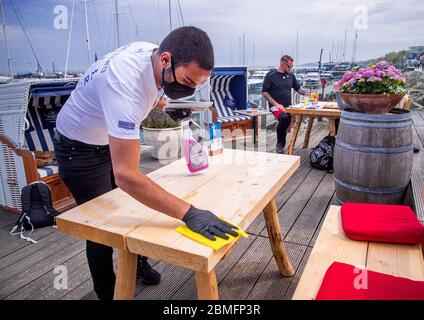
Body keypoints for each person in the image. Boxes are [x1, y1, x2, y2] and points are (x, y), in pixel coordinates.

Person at [54, 26, 239, 301]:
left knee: (130, 205)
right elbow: (126, 176)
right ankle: (107, 292)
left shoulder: (153, 55)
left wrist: (171, 108)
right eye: (187, 81)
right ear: (166, 60)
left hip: (106, 137)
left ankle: (138, 265)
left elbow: (153, 92)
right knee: (101, 227)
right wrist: (190, 213)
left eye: (196, 86)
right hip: (76, 147)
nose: (188, 90)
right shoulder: (123, 84)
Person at [262, 55, 308, 154]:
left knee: (286, 121)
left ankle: (282, 143)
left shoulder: (291, 76)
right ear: (282, 64)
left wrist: (309, 92)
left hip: (288, 107)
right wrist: (276, 103)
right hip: (275, 106)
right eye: (289, 67)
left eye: (292, 67)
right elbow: (265, 92)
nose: (291, 69)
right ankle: (280, 144)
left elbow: (298, 89)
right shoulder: (271, 75)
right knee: (283, 118)